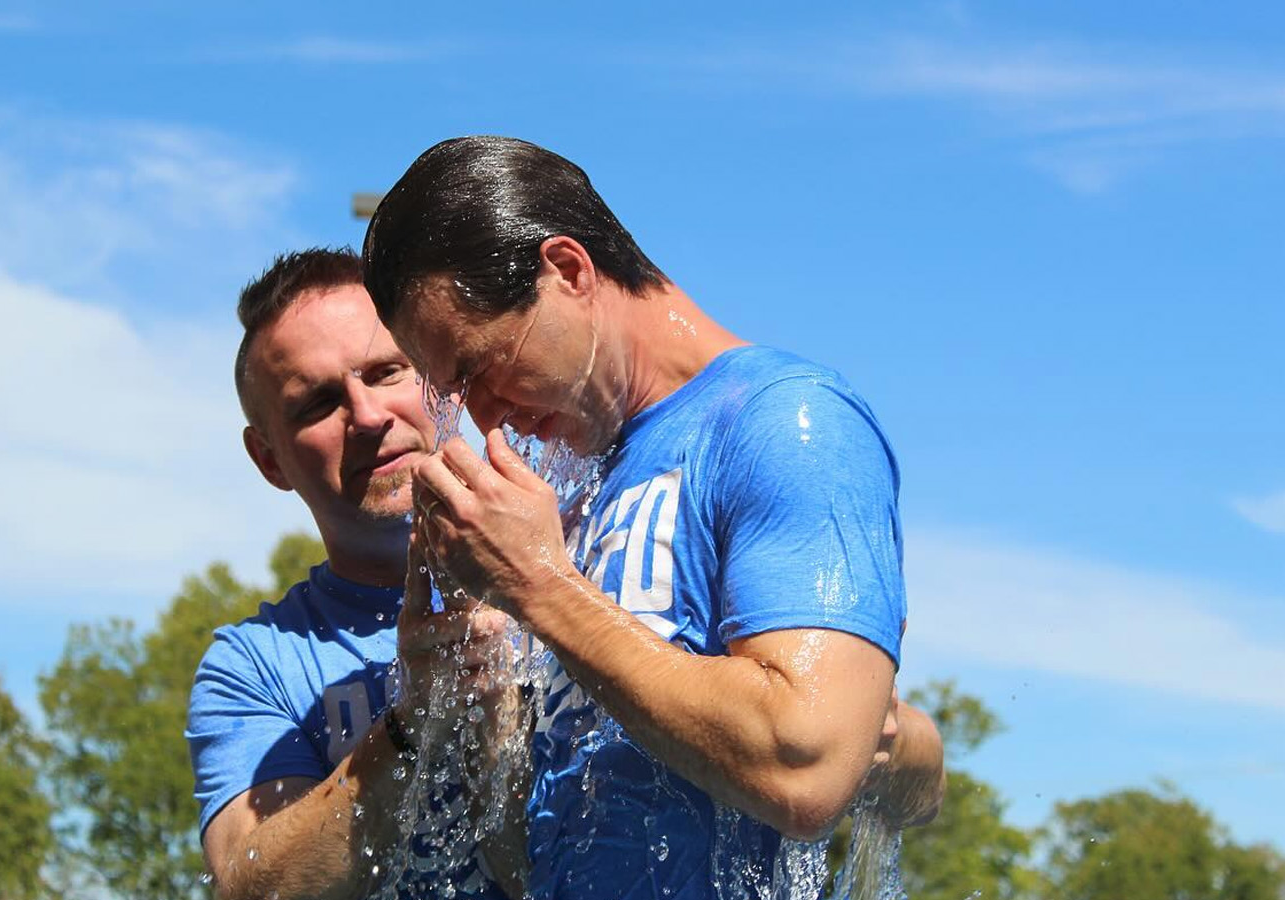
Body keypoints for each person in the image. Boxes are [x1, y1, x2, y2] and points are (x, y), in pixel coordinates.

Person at [361, 136, 947, 899]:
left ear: (567, 270)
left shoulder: (788, 422)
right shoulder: (575, 485)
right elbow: (531, 860)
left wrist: (540, 585)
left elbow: (803, 770)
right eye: (455, 393)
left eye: (480, 368)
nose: (487, 418)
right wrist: (482, 700)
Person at [185, 248, 521, 900]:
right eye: (317, 403)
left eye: (386, 371)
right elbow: (253, 888)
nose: (367, 415)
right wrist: (411, 719)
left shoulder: (574, 563)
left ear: (440, 375)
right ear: (269, 460)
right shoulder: (253, 666)